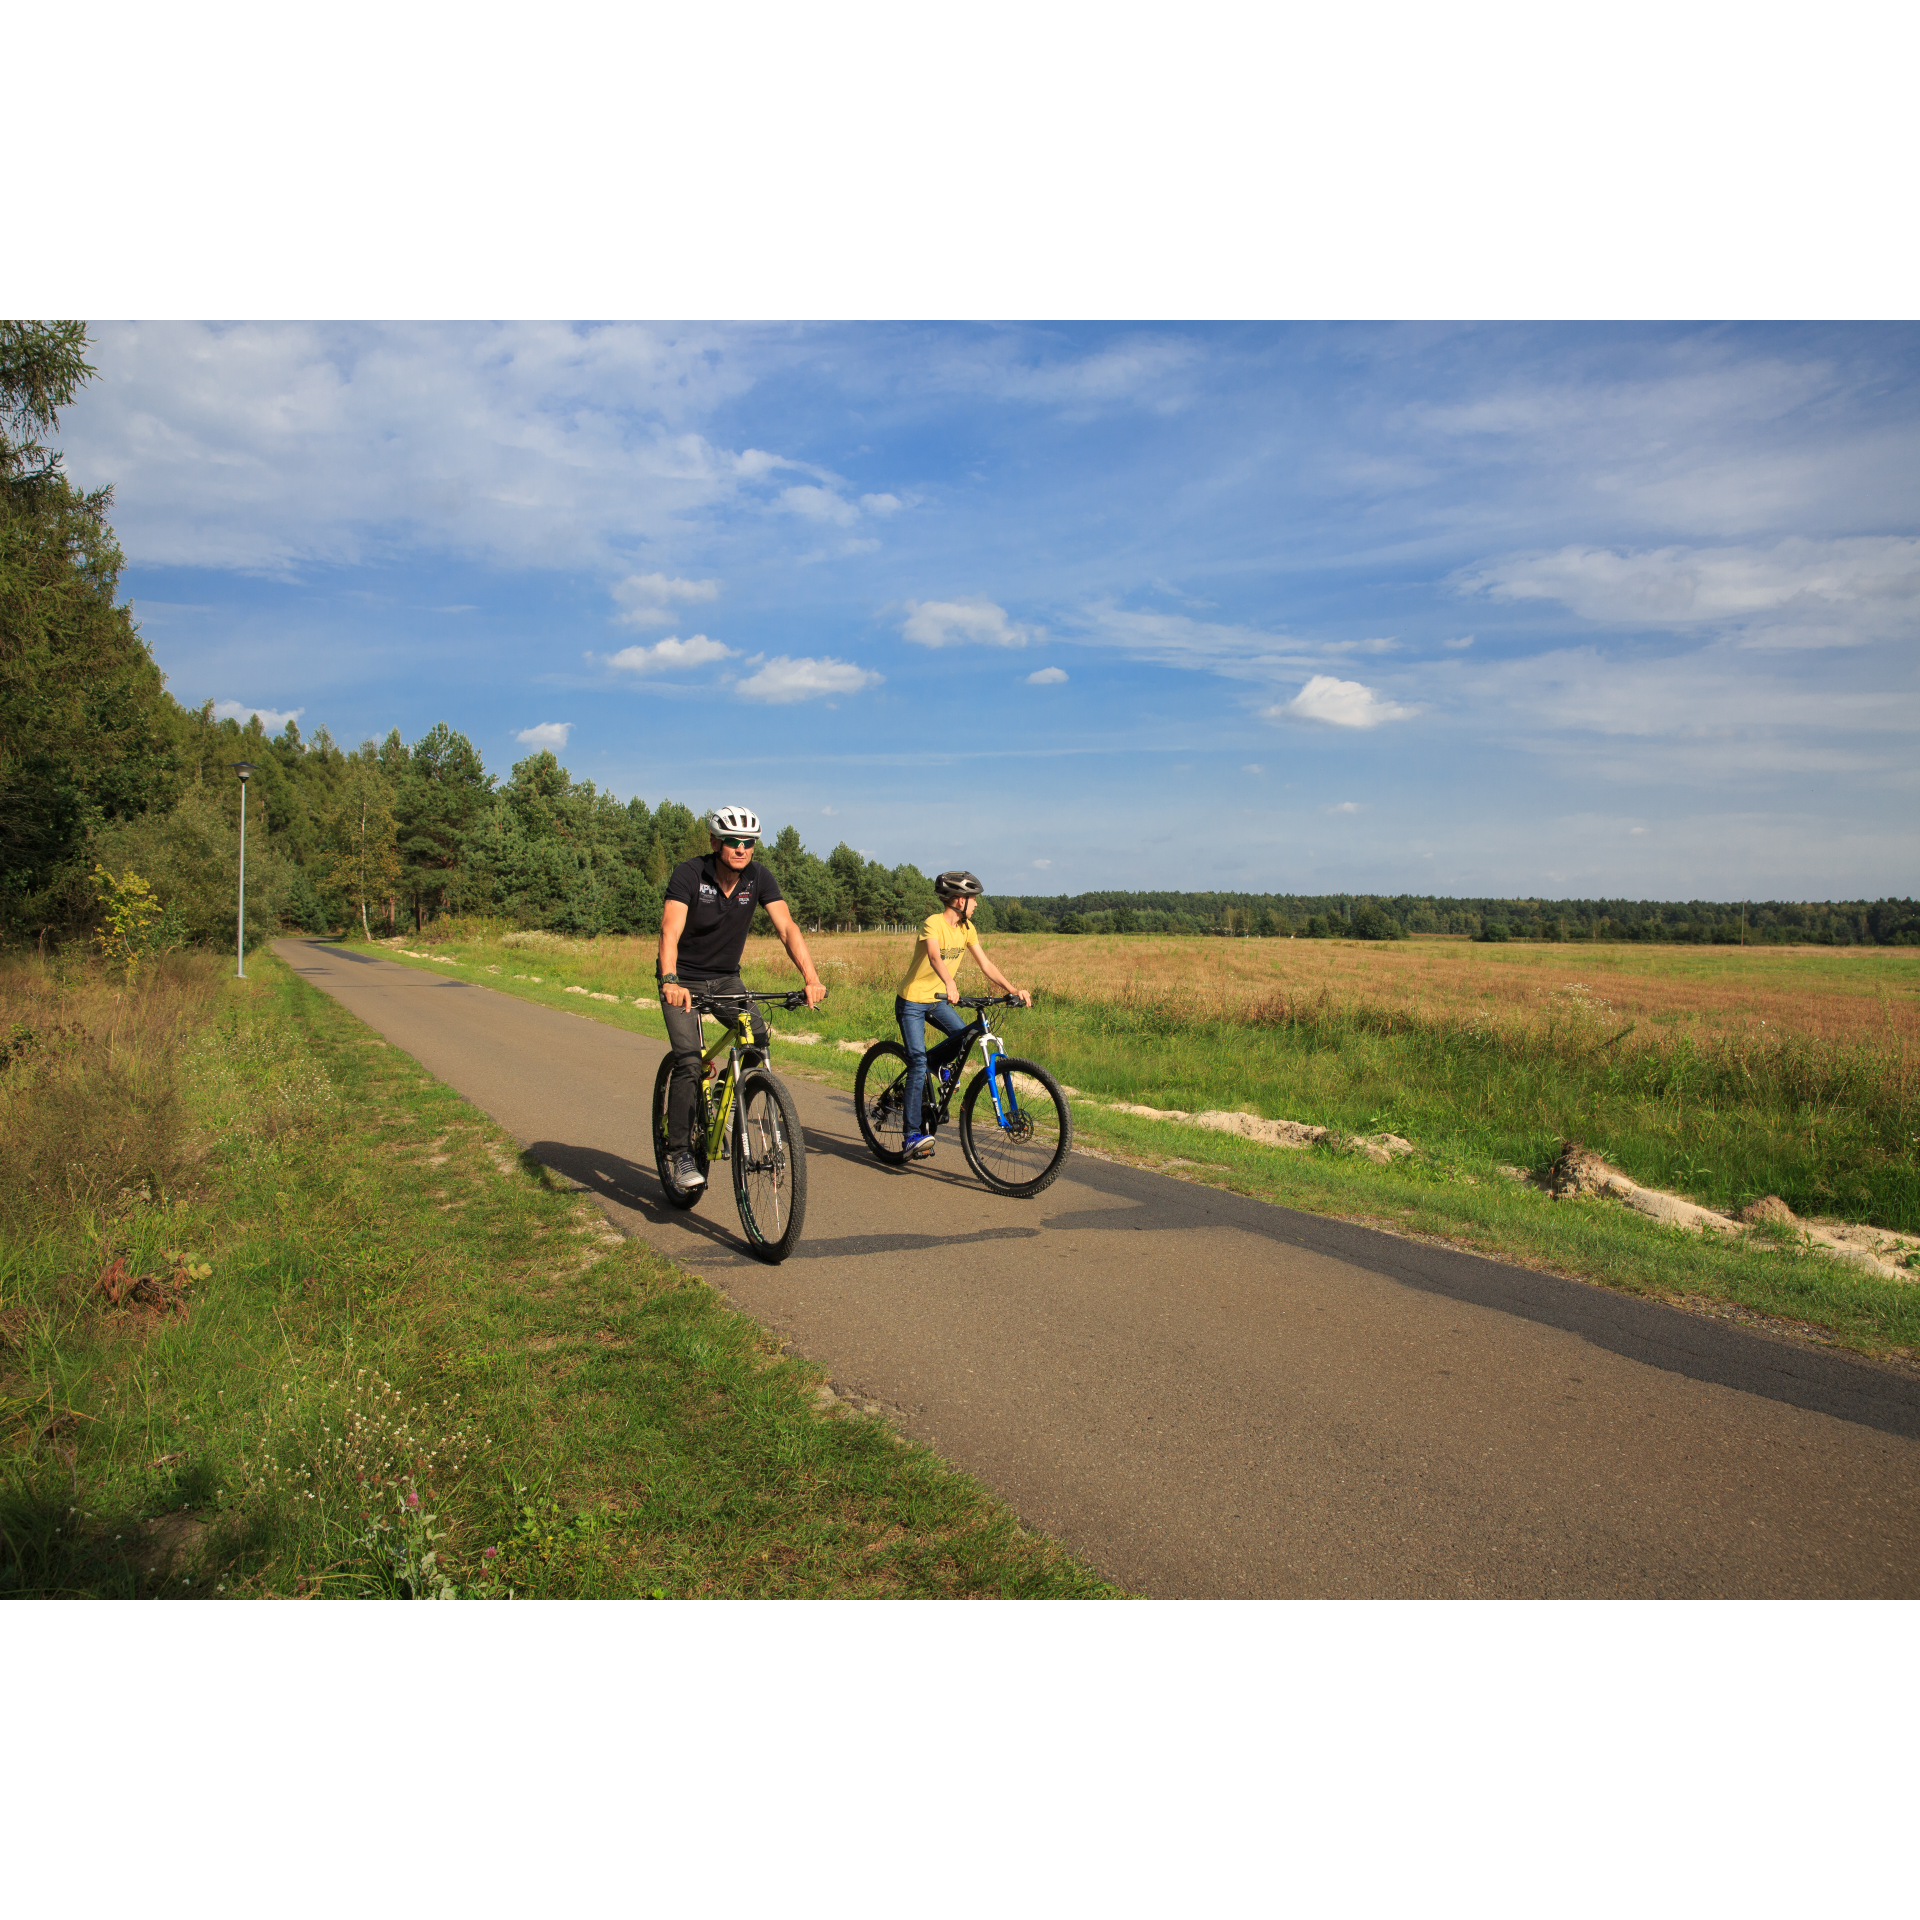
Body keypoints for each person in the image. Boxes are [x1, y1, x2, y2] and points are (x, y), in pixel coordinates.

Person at [657, 805, 827, 1193]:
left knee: (758, 1038)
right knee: (687, 1061)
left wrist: (811, 978)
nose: (741, 849)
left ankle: (727, 1095)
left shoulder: (758, 877)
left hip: (727, 980)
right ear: (716, 843)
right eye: (733, 842)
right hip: (684, 980)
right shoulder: (689, 874)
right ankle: (681, 1152)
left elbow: (787, 927)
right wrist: (669, 978)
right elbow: (670, 929)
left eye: (748, 843)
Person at [896, 869, 1030, 1160]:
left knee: (965, 1035)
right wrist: (949, 981)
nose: (977, 904)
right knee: (918, 1063)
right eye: (973, 898)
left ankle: (937, 1066)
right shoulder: (933, 923)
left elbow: (985, 963)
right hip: (912, 1002)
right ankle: (910, 1135)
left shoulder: (967, 929)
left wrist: (1012, 989)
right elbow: (933, 956)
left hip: (937, 1001)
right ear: (958, 900)